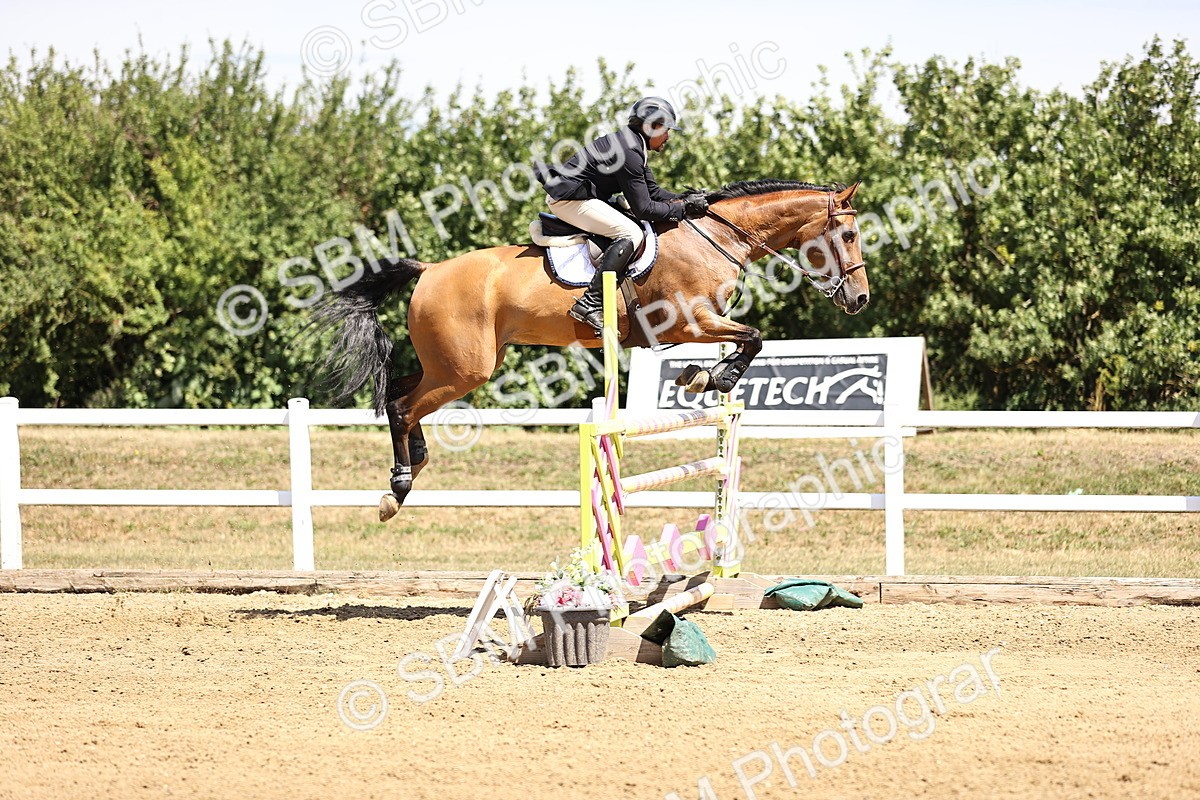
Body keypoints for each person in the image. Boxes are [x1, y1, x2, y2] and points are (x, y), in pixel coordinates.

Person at [535, 96, 710, 333]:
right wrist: (683, 209)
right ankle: (590, 302)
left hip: (585, 197)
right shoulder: (629, 151)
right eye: (666, 130)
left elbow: (654, 192)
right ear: (652, 127)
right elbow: (645, 209)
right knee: (631, 232)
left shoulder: (634, 145)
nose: (668, 136)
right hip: (569, 200)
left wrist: (684, 199)